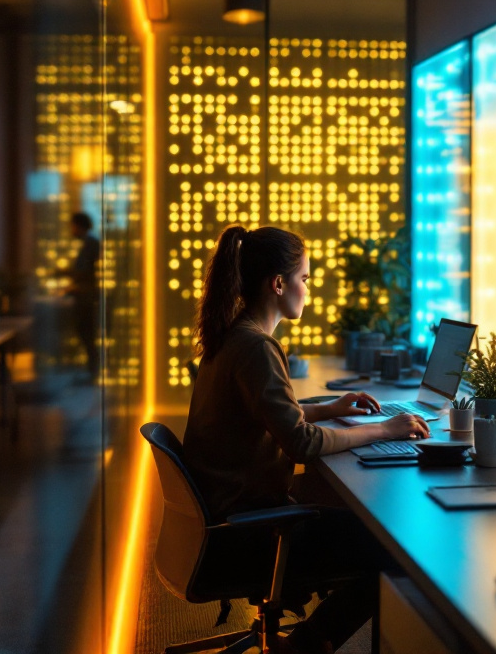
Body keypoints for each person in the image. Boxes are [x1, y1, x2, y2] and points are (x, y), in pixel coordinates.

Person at [183, 225, 429, 654]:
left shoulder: (233, 336)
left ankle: (306, 641)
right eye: (305, 279)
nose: (308, 291)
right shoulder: (257, 347)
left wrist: (333, 409)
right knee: (389, 546)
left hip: (226, 515)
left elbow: (265, 417)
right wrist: (387, 429)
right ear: (278, 284)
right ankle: (306, 647)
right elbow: (301, 443)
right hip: (246, 530)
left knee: (348, 516)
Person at [67, 212, 101, 379]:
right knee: (87, 335)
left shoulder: (90, 243)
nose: (71, 229)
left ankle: (92, 372)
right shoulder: (89, 242)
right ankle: (91, 371)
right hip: (85, 297)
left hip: (86, 299)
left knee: (87, 335)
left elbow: (85, 271)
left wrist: (74, 284)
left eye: (73, 225)